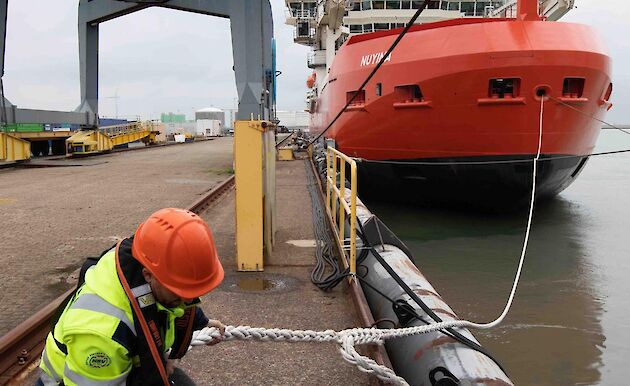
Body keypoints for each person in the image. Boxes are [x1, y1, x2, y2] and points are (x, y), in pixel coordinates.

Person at [38, 208, 225, 386]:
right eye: (181, 292)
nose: (187, 302)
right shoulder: (102, 334)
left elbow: (160, 307)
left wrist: (201, 321)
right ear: (148, 275)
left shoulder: (144, 259)